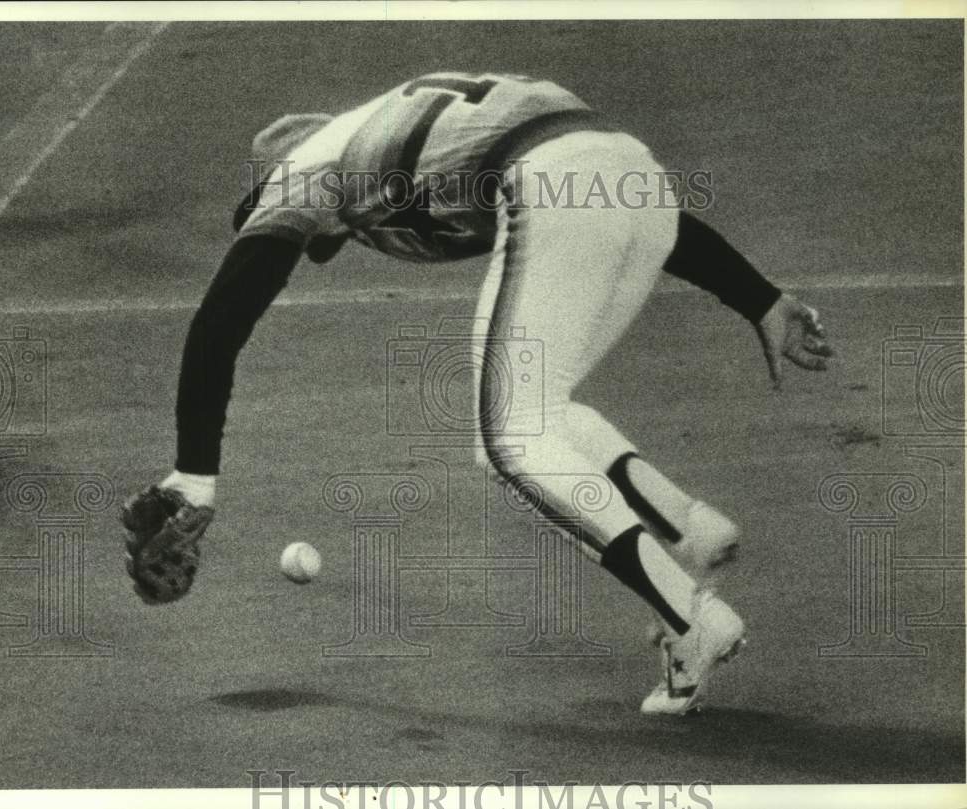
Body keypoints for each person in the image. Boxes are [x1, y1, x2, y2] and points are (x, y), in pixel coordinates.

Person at [121, 71, 833, 715]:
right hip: (631, 172)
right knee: (542, 412)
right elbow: (608, 183)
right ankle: (689, 533)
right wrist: (759, 299)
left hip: (545, 175)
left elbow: (220, 321)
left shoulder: (303, 170)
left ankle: (690, 617)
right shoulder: (382, 135)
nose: (323, 244)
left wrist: (195, 476)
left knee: (509, 441)